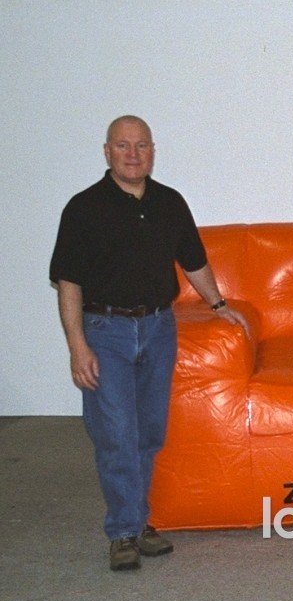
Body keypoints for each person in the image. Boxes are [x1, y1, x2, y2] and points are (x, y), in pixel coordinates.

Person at [49, 115, 249, 571]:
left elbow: (193, 260)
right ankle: (123, 531)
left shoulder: (170, 202)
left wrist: (219, 305)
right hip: (106, 332)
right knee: (116, 434)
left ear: (152, 151)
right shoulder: (83, 208)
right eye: (122, 146)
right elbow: (68, 282)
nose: (133, 154)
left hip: (159, 329)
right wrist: (78, 346)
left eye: (141, 145)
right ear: (107, 152)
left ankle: (138, 522)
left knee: (149, 432)